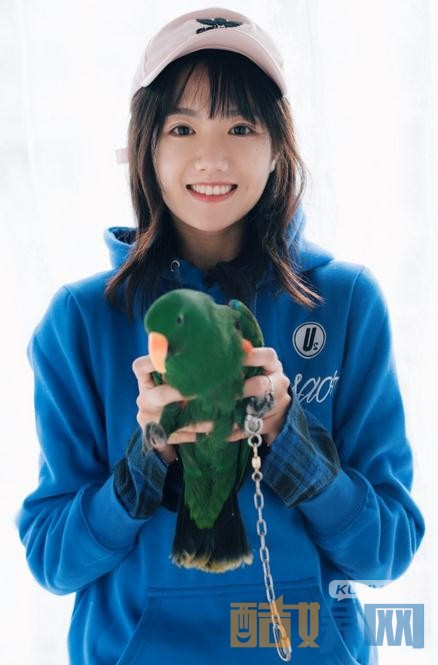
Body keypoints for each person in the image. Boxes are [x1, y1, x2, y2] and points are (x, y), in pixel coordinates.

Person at [17, 7, 424, 665]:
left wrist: (287, 434)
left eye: (240, 126)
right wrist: (149, 458)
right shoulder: (81, 320)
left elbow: (388, 551)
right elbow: (53, 561)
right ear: (146, 147)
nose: (212, 156)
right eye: (182, 127)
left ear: (278, 145)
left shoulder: (345, 301)